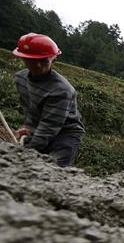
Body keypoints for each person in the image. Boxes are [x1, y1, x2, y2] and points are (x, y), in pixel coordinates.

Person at [12, 33, 85, 167]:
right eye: (32, 60)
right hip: (42, 127)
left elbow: (49, 126)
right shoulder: (20, 79)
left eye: (44, 60)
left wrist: (28, 151)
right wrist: (28, 127)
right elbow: (29, 109)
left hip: (65, 134)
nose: (38, 65)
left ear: (53, 60)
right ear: (23, 58)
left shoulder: (61, 90)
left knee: (52, 169)